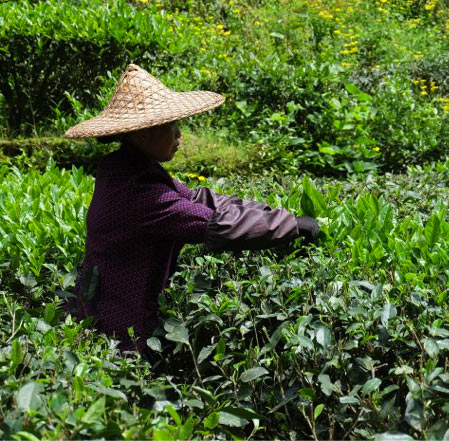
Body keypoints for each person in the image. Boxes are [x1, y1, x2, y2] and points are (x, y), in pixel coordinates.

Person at [63, 64, 319, 355]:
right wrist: (291, 226)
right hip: (120, 329)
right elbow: (215, 224)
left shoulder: (127, 169)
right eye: (171, 126)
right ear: (144, 134)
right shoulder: (140, 193)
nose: (179, 135)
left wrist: (274, 214)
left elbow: (199, 199)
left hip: (109, 310)